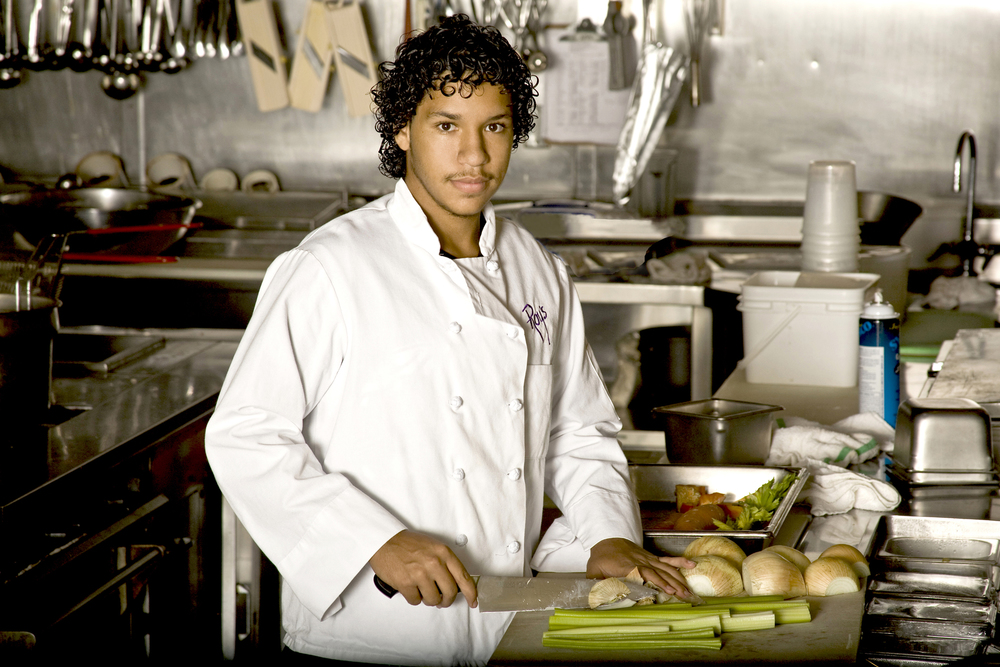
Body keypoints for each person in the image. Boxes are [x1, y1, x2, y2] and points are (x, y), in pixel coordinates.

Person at [205, 14, 694, 666]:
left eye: (494, 127)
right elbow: (245, 435)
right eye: (446, 126)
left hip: (504, 625)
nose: (475, 155)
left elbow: (576, 431)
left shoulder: (538, 269)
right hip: (369, 635)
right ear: (402, 130)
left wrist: (608, 535)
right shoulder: (332, 265)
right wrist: (374, 541)